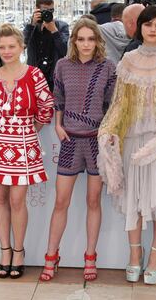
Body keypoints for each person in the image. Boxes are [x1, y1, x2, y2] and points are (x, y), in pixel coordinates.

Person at [98, 5, 156, 285]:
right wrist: (110, 129)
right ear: (139, 27)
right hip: (134, 140)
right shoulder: (127, 60)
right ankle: (134, 256)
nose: (153, 29)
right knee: (134, 200)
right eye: (148, 24)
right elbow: (119, 103)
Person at [39, 18, 116, 282]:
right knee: (61, 201)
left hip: (95, 141)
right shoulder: (62, 66)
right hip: (70, 140)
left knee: (93, 201)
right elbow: (57, 98)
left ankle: (90, 256)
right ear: (73, 41)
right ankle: (51, 255)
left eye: (90, 39)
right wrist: (58, 126)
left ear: (97, 41)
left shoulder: (107, 67)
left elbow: (111, 104)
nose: (86, 44)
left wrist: (107, 132)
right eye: (81, 39)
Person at [0, 24, 54, 279]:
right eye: (2, 47)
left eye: (12, 46)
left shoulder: (35, 74)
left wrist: (30, 129)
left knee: (17, 201)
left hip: (24, 143)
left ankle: (19, 251)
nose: (7, 51)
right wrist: (4, 125)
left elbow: (46, 107)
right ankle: (4, 251)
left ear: (22, 47)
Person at [24, 0, 69, 92]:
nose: (48, 13)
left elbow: (65, 51)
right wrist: (32, 25)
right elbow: (22, 45)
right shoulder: (31, 26)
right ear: (37, 9)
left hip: (54, 78)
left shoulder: (61, 27)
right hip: (33, 77)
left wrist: (54, 31)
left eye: (51, 10)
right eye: (45, 10)